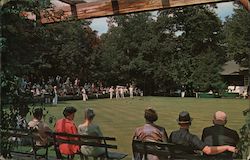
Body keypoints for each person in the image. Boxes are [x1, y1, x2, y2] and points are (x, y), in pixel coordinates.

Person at [169, 111, 237, 159]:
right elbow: (208, 151)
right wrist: (227, 147)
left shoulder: (172, 134)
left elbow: (169, 148)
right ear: (190, 123)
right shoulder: (192, 138)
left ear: (179, 123)